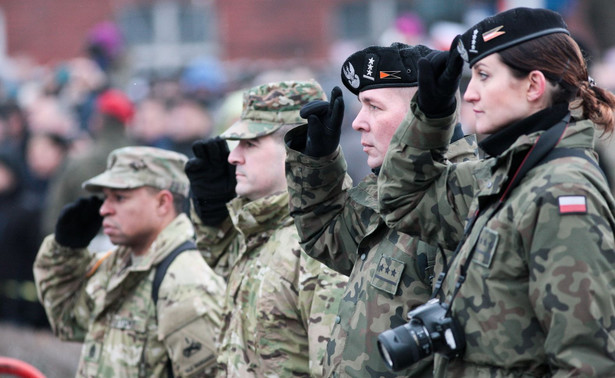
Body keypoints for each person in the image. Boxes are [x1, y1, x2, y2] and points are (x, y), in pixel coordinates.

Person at [377, 7, 615, 376]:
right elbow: (404, 202)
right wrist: (431, 113)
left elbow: (586, 360)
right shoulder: (510, 174)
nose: (469, 94)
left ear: (534, 86)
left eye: (484, 76)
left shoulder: (560, 190)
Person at [283, 43, 477, 377]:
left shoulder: (460, 193)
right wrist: (318, 163)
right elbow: (329, 239)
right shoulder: (384, 186)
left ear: (419, 114)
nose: (357, 122)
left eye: (374, 107)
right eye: (361, 106)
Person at [184, 80, 348, 377]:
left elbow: (334, 365)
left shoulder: (322, 241)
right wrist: (214, 219)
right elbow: (234, 272)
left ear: (295, 145)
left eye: (251, 143)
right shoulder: (266, 228)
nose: (234, 156)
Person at [33, 146, 226, 377]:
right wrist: (66, 252)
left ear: (162, 203)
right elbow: (67, 321)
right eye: (105, 197)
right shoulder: (120, 266)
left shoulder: (186, 283)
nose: (104, 209)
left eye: (120, 198)